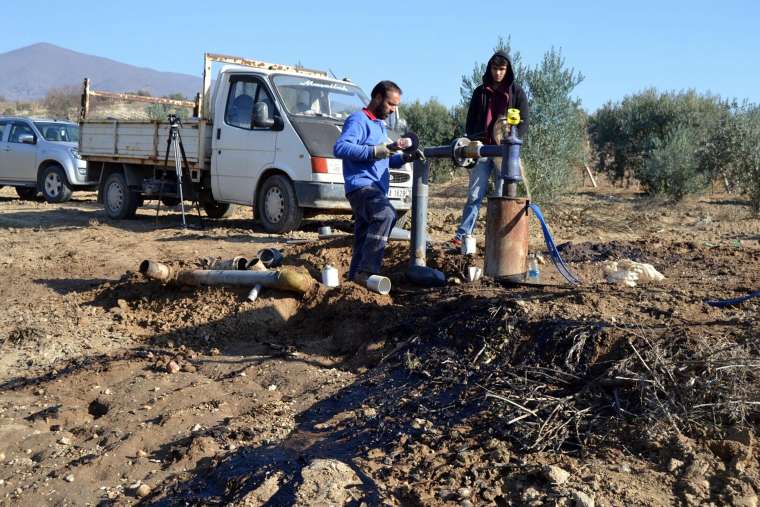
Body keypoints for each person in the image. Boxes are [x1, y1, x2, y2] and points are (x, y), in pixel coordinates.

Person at [452, 50, 529, 247]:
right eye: (495, 69)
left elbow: (524, 123)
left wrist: (512, 141)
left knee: (502, 196)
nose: (498, 73)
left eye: (502, 69)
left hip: (504, 155)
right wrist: (474, 139)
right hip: (482, 152)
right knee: (475, 195)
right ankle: (462, 235)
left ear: (508, 70)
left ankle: (497, 238)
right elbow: (470, 122)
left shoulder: (517, 93)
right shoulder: (480, 92)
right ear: (490, 69)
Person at [333, 80, 408, 285]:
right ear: (377, 98)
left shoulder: (379, 126)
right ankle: (367, 272)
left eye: (396, 106)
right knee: (386, 214)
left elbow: (383, 158)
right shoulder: (358, 120)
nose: (393, 110)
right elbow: (340, 148)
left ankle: (354, 280)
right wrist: (375, 150)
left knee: (364, 235)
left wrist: (403, 157)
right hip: (361, 186)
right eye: (391, 104)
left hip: (375, 187)